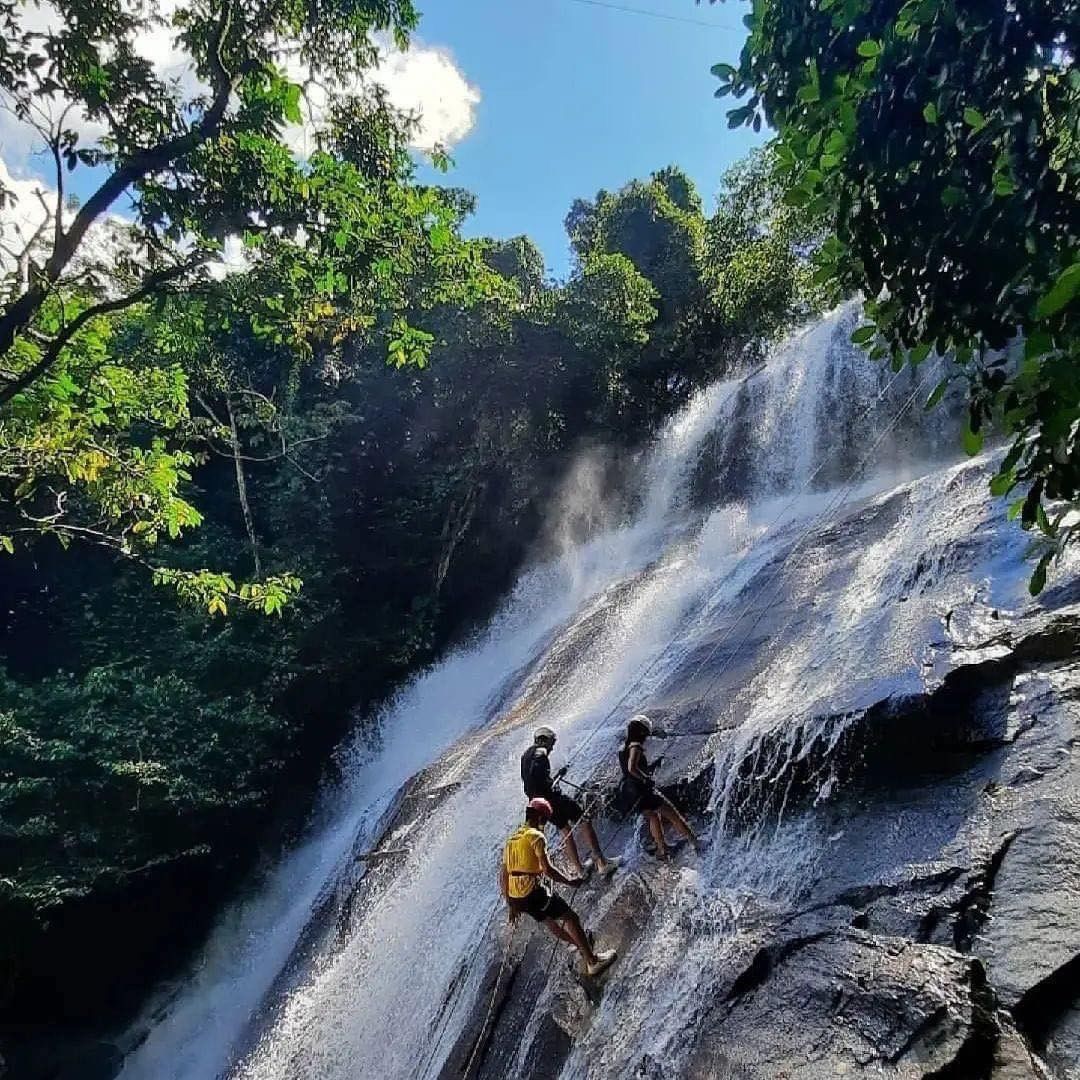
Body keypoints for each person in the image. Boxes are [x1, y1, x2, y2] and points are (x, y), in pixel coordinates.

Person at [500, 798, 618, 977]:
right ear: (539, 818)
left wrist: (511, 904)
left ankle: (581, 946)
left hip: (517, 898)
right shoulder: (536, 837)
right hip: (532, 893)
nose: (545, 825)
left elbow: (504, 875)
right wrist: (570, 881)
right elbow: (547, 870)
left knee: (549, 921)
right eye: (545, 820)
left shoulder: (512, 839)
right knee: (571, 918)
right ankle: (592, 961)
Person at [521, 725, 619, 879]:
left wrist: (553, 779)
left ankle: (580, 870)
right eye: (552, 742)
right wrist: (549, 784)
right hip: (552, 798)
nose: (552, 747)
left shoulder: (525, 755)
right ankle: (602, 863)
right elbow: (537, 772)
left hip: (539, 803)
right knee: (584, 819)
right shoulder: (541, 751)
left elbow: (530, 781)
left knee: (565, 830)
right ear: (544, 740)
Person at [618, 714, 698, 858]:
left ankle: (663, 850)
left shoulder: (622, 747)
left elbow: (628, 769)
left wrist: (652, 766)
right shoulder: (635, 746)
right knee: (673, 815)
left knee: (653, 816)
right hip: (642, 790)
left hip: (630, 792)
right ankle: (696, 843)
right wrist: (646, 778)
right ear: (641, 731)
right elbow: (632, 768)